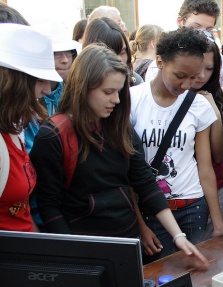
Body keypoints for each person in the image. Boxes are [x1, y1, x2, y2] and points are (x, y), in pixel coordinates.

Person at [30, 43, 208, 265]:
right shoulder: (54, 135)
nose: (116, 100)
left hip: (126, 240)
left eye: (119, 91)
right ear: (83, 88)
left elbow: (145, 183)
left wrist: (178, 236)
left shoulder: (119, 127)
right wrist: (73, 253)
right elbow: (49, 207)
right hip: (83, 245)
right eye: (108, 92)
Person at [130, 27, 223, 261]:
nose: (186, 85)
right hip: (151, 210)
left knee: (197, 273)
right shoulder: (132, 100)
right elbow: (128, 173)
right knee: (162, 275)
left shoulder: (198, 105)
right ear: (160, 62)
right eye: (180, 75)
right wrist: (140, 225)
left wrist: (218, 222)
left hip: (193, 206)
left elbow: (205, 168)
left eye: (193, 77)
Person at [0, 24, 60, 232]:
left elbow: (20, 212)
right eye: (40, 80)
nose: (47, 90)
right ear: (14, 83)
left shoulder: (15, 128)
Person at [190, 34, 223, 237]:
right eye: (197, 68)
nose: (202, 75)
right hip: (187, 190)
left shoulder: (221, 95)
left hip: (217, 185)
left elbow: (219, 153)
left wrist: (213, 108)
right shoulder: (177, 95)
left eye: (209, 68)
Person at [176, 0, 223, 90]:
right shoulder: (167, 56)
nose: (202, 34)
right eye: (196, 27)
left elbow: (221, 91)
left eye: (209, 30)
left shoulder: (217, 58)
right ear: (180, 22)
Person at [83, 17, 143, 86]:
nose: (118, 59)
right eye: (111, 54)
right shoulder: (79, 87)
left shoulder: (136, 83)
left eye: (122, 52)